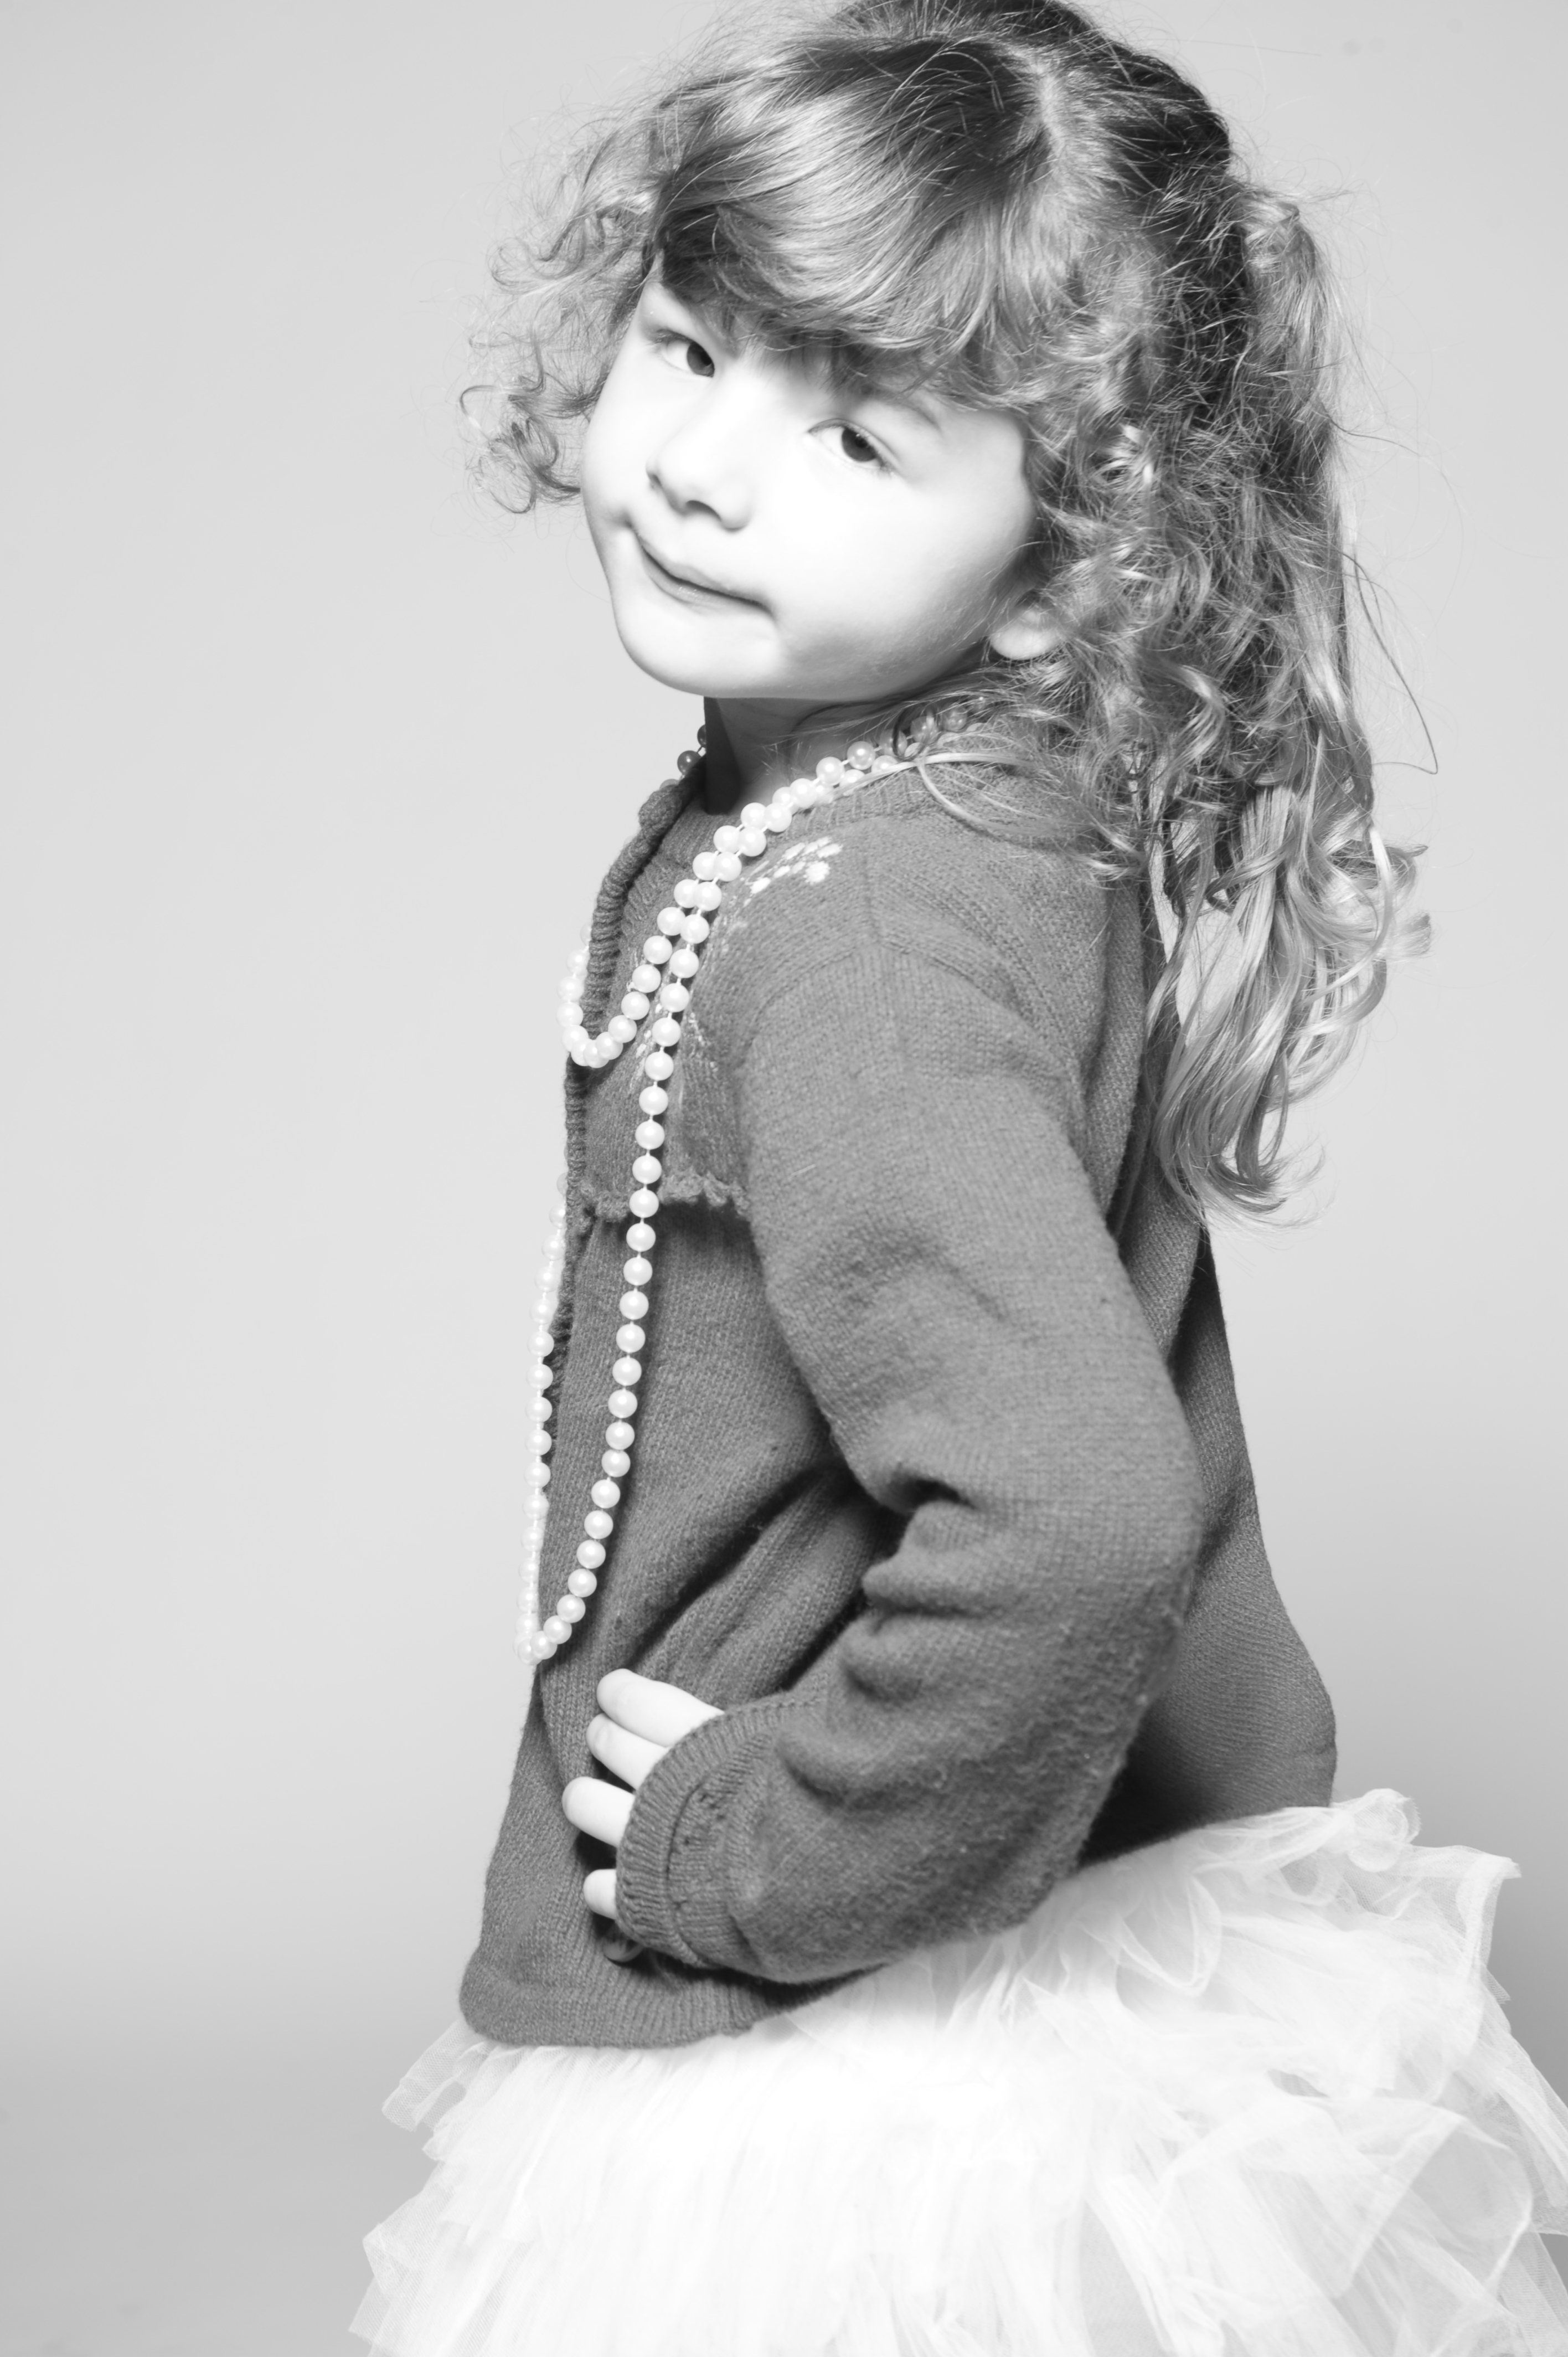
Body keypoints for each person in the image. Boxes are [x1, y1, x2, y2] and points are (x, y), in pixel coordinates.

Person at [353, 1, 1568, 2348]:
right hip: (1042, 1965)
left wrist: (766, 1848)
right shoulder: (921, 817)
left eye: (855, 431)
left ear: (1065, 563)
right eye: (692, 344)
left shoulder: (862, 946)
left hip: (860, 2042)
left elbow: (1078, 1516)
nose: (706, 466)